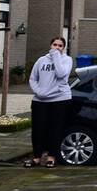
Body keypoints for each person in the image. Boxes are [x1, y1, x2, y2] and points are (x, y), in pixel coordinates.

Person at [25, 37, 73, 168]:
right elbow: (33, 78)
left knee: (55, 129)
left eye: (60, 46)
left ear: (64, 48)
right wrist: (39, 92)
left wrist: (56, 57)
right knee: (38, 129)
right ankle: (36, 157)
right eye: (54, 45)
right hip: (40, 100)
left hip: (59, 99)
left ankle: (51, 157)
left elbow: (61, 74)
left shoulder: (67, 60)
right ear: (50, 45)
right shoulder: (41, 60)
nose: (57, 47)